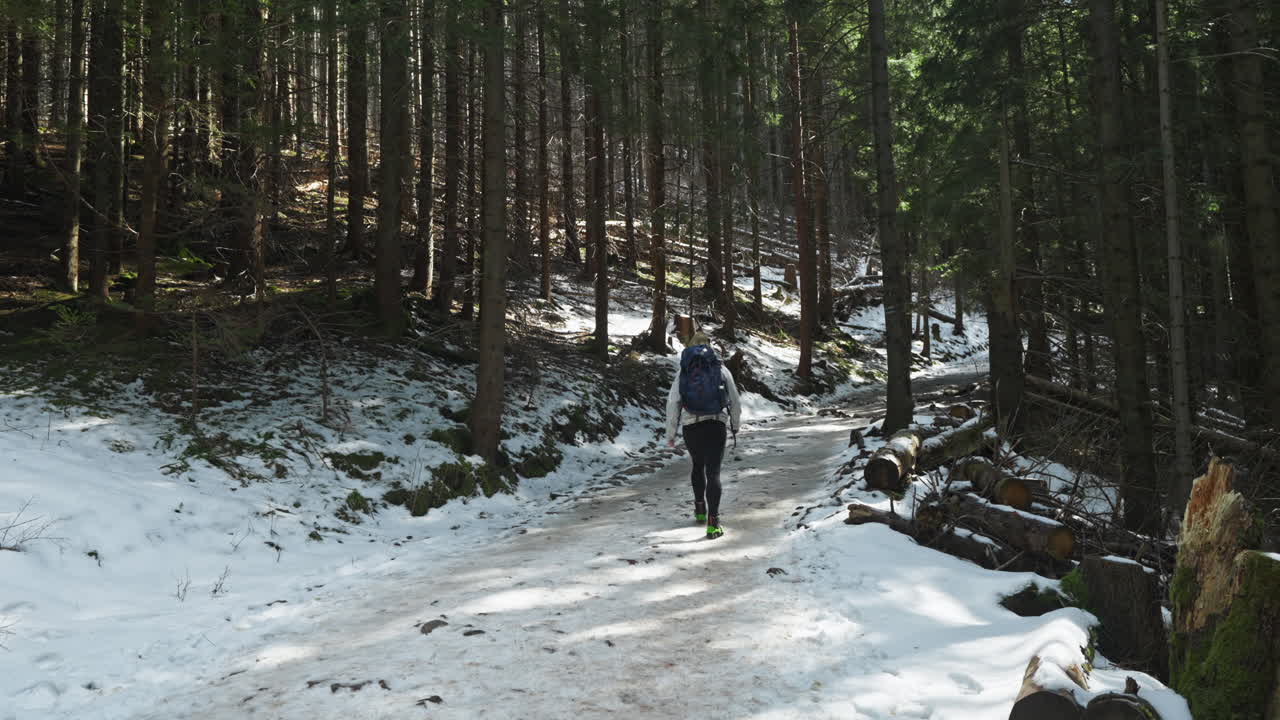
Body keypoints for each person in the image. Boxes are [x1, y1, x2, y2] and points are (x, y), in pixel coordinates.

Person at [664, 331, 741, 539]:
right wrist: (735, 424)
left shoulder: (684, 372)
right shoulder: (720, 369)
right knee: (713, 472)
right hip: (716, 425)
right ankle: (713, 523)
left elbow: (673, 403)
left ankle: (699, 509)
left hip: (692, 427)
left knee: (697, 466)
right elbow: (734, 399)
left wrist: (670, 434)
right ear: (710, 346)